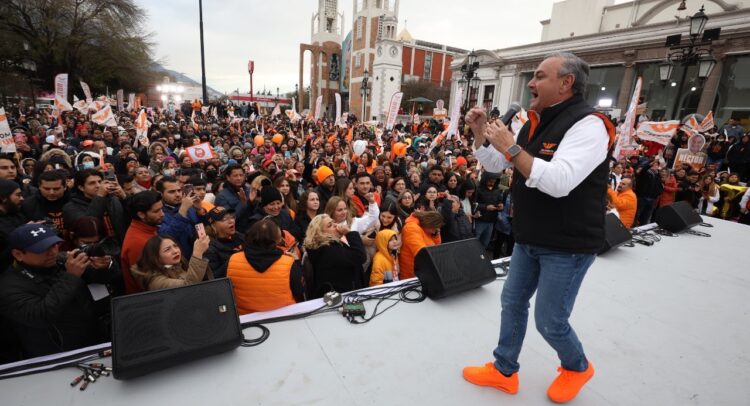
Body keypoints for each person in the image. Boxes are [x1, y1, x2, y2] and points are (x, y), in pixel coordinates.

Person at [464, 52, 614, 402]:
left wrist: (512, 147)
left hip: (567, 244)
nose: (531, 82)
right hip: (529, 236)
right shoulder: (534, 122)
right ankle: (504, 370)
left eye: (540, 76)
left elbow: (559, 181)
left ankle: (577, 366)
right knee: (512, 302)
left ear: (566, 83)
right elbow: (497, 164)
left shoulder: (589, 125)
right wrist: (480, 133)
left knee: (550, 320)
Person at [0, 224, 104, 358]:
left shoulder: (62, 260)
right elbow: (41, 316)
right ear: (18, 254)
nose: (53, 252)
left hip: (94, 340)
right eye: (42, 249)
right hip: (56, 355)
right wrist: (71, 277)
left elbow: (105, 277)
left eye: (54, 245)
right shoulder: (7, 287)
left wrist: (105, 266)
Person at [226, 219, 304, 314]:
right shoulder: (289, 262)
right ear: (278, 240)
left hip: (246, 318)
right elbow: (299, 292)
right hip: (284, 315)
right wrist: (297, 263)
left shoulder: (233, 259)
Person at [303, 214, 367, 298]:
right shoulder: (329, 250)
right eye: (330, 225)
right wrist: (349, 233)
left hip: (340, 294)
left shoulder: (325, 247)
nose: (336, 225)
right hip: (343, 296)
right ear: (320, 234)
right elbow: (359, 256)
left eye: (333, 222)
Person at [63, 169, 127, 244]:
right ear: (81, 187)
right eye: (92, 183)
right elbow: (88, 227)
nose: (98, 186)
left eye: (100, 181)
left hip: (121, 244)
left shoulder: (113, 199)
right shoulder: (71, 207)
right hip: (96, 247)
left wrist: (124, 198)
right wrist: (100, 196)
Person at [130, 234, 211, 291]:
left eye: (175, 246)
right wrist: (197, 254)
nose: (175, 251)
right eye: (167, 250)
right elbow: (188, 286)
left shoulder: (178, 265)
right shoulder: (155, 281)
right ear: (155, 257)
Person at [120, 191, 164, 294]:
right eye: (156, 211)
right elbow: (148, 283)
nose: (162, 214)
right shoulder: (138, 243)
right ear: (141, 214)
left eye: (161, 209)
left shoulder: (147, 228)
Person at [155, 176, 204, 258]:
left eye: (179, 190)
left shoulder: (188, 205)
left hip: (198, 254)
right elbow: (168, 236)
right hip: (179, 258)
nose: (178, 195)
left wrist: (199, 211)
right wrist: (183, 210)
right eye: (172, 192)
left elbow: (201, 227)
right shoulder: (158, 212)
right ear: (160, 194)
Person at [399, 210, 443, 280]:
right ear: (429, 224)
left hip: (421, 272)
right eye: (434, 229)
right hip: (411, 275)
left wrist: (436, 235)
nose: (434, 231)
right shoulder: (411, 228)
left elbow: (436, 247)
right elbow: (421, 253)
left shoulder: (425, 229)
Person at [204, 206, 245, 279]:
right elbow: (213, 278)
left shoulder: (239, 236)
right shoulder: (209, 249)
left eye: (232, 217)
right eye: (224, 219)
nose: (231, 221)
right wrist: (234, 260)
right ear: (213, 226)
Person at [0, 179, 27, 273]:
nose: (22, 198)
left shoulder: (17, 213)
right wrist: (24, 231)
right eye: (18, 195)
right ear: (3, 198)